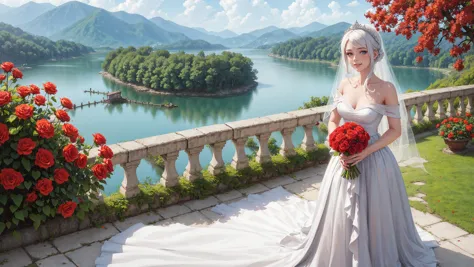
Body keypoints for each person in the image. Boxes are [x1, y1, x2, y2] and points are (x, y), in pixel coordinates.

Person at [95, 22, 439, 267]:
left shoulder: (385, 90)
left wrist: (365, 150)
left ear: (375, 53)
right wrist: (337, 145)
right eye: (350, 53)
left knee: (377, 217)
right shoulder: (345, 85)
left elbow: (394, 130)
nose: (355, 57)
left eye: (362, 51)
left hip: (374, 162)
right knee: (336, 218)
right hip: (343, 160)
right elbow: (334, 120)